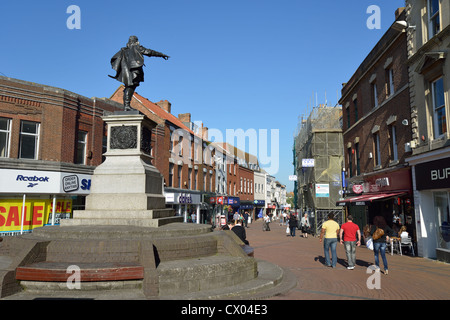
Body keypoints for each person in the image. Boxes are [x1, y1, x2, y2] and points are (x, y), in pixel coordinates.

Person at [109, 36, 169, 110]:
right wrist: (162, 54)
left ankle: (126, 105)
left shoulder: (123, 50)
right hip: (133, 71)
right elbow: (149, 52)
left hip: (125, 72)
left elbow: (115, 59)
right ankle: (127, 106)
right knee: (130, 87)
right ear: (136, 41)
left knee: (128, 87)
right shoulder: (137, 48)